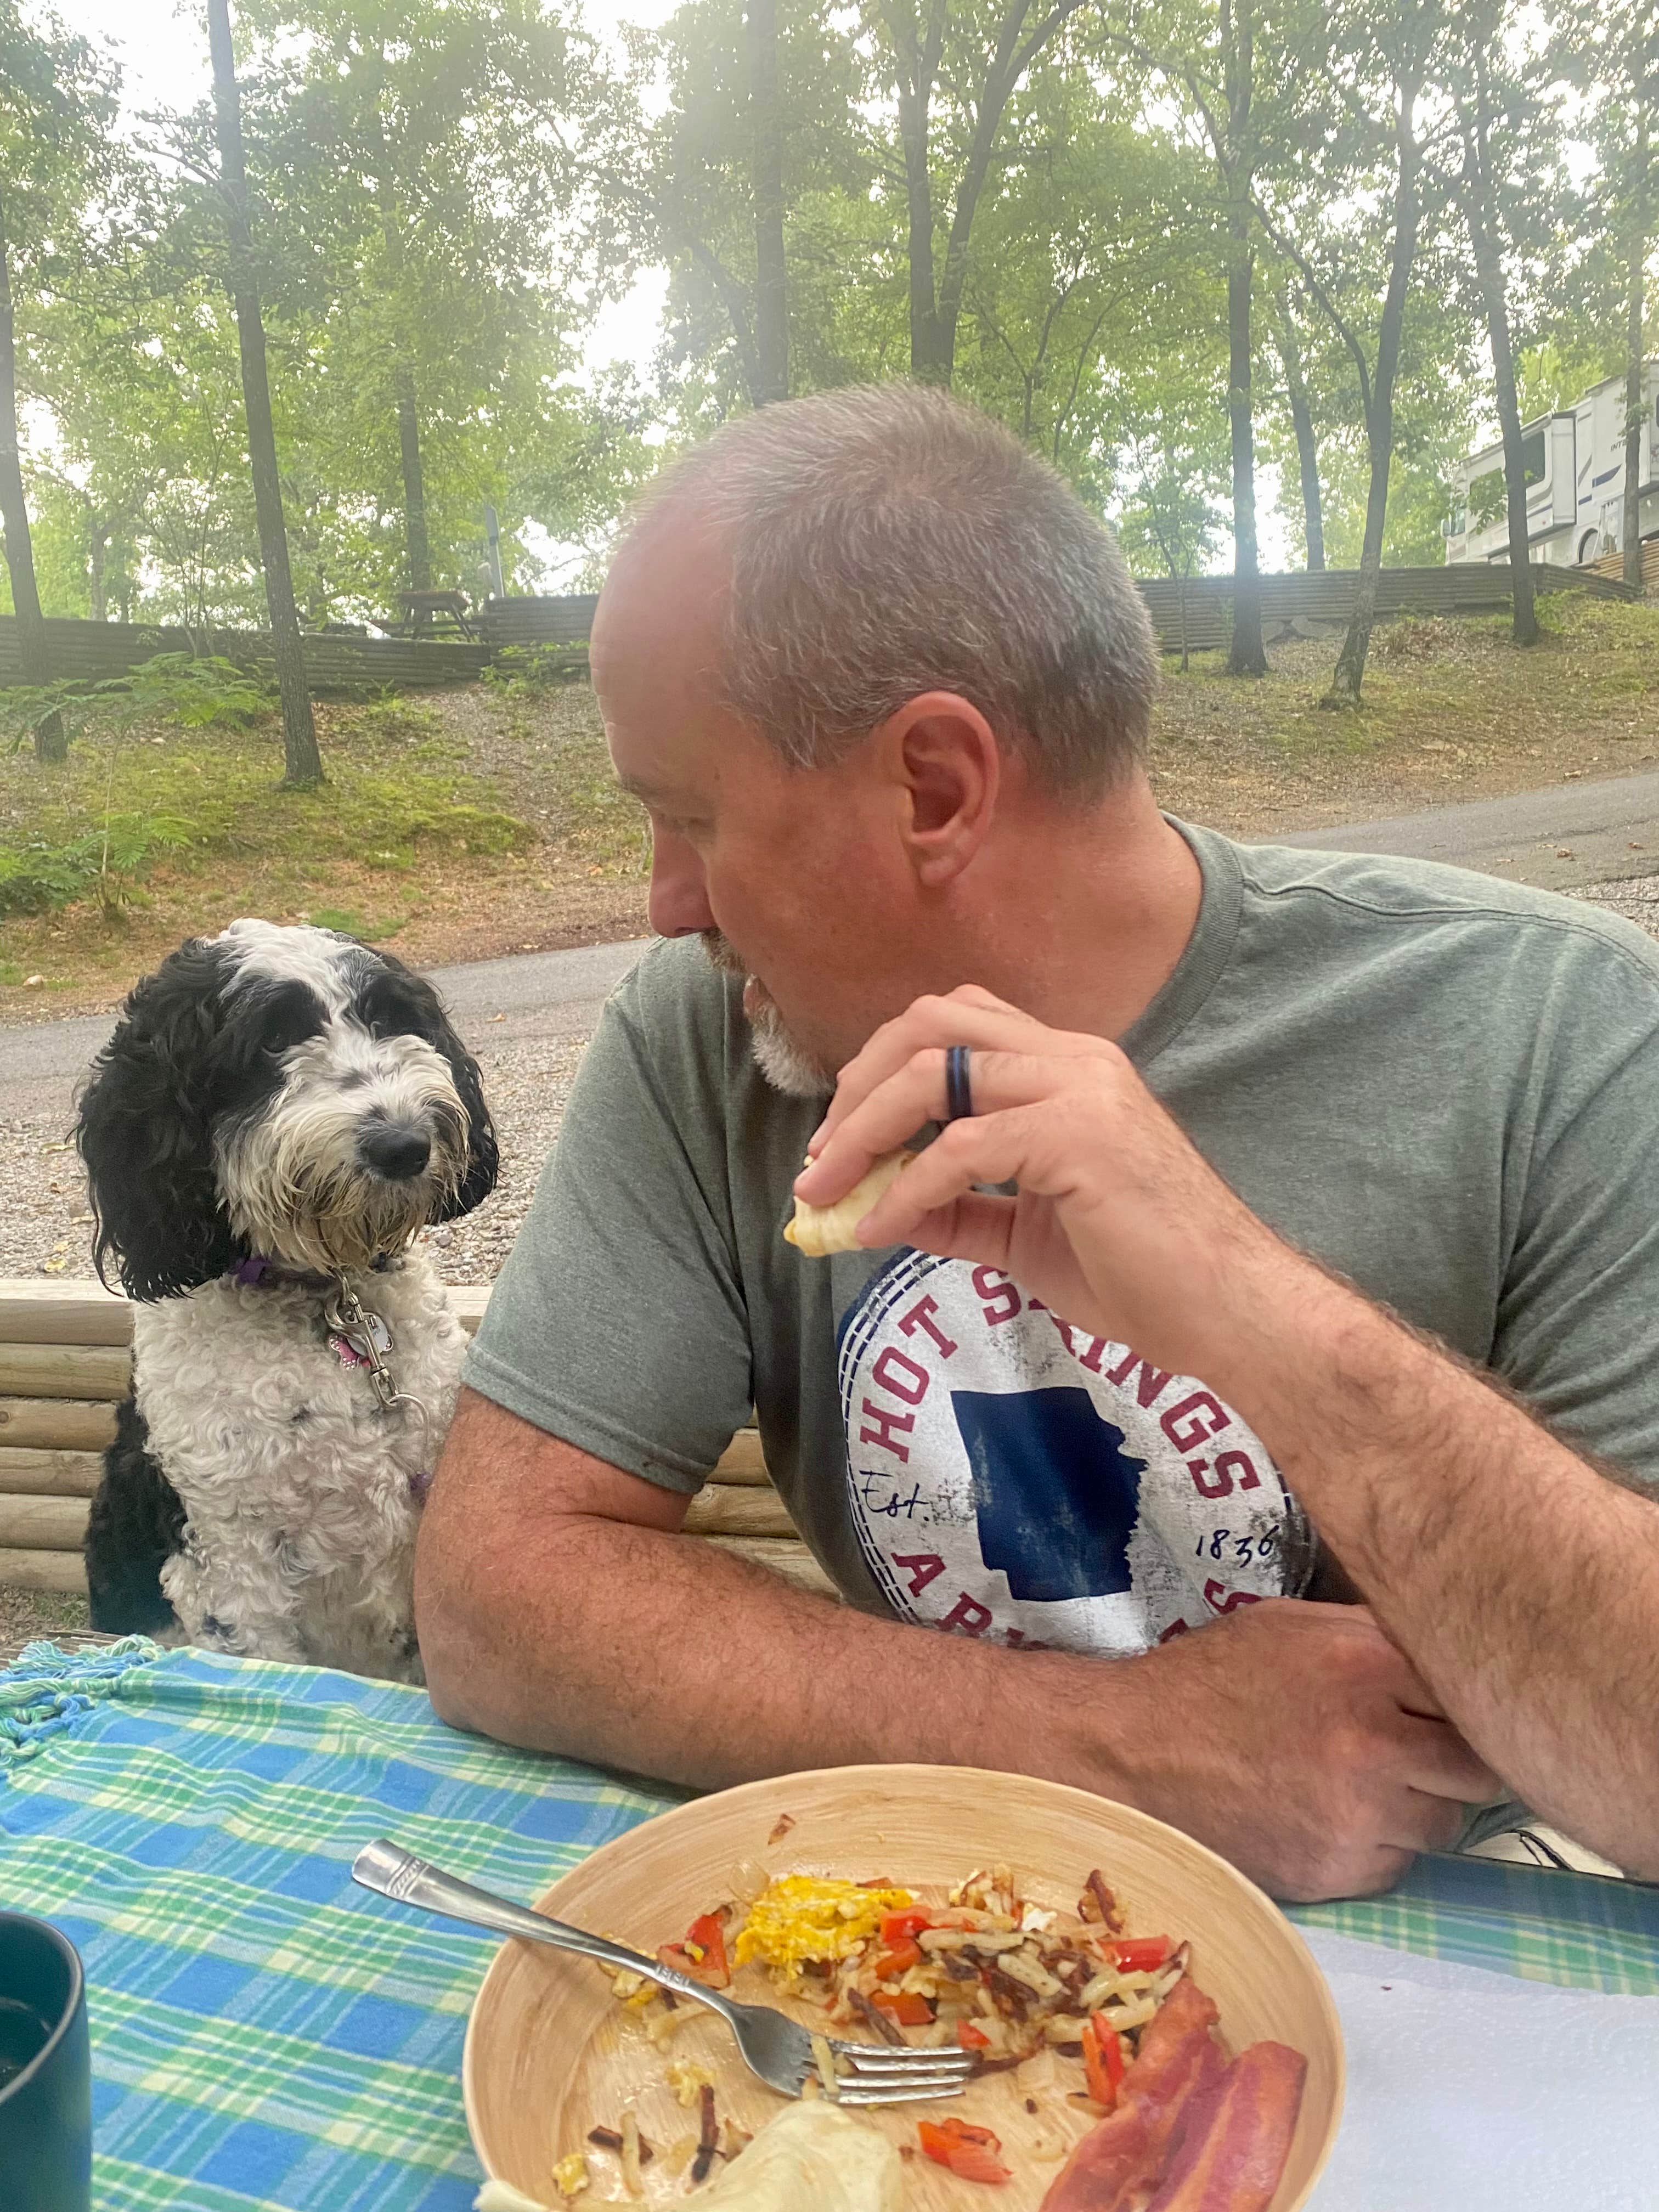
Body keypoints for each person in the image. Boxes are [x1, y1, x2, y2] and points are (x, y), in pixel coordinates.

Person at [415, 384, 1659, 1900]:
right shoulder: (707, 1033)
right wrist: (1116, 1750)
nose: (668, 903)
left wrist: (1245, 1295)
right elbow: (493, 1591)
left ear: (934, 787)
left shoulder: (1558, 1030)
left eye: (690, 817)